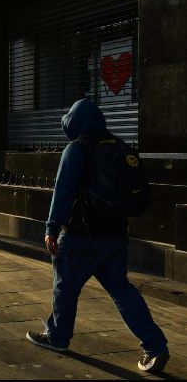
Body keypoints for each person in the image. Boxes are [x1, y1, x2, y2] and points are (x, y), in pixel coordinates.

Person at [26, 98, 169, 373]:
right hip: (116, 237)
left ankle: (58, 337)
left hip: (81, 235)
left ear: (76, 121)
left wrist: (51, 228)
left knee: (65, 287)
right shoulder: (118, 146)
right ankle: (156, 346)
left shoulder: (77, 149)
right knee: (121, 290)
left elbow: (63, 192)